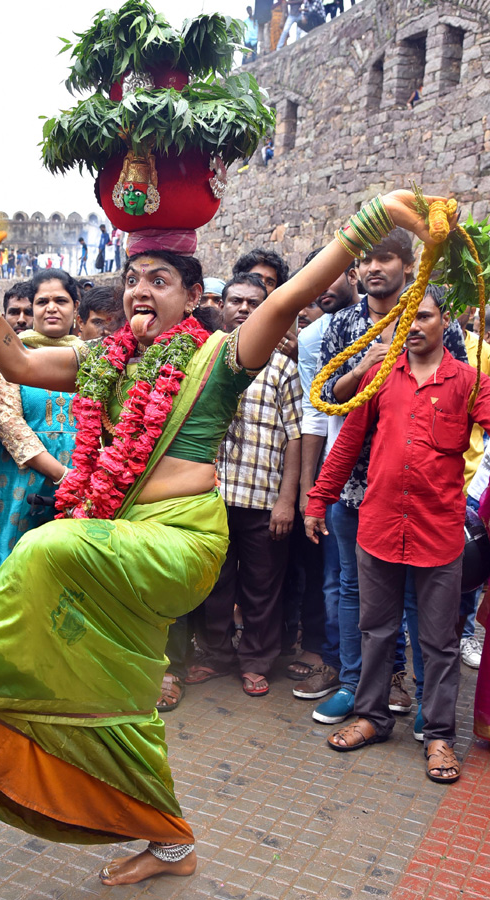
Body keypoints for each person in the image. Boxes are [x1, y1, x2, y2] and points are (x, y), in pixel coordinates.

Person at [0, 183, 449, 885]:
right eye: (133, 278)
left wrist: (371, 220)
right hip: (119, 540)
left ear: (193, 296)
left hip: (180, 544)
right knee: (124, 701)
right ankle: (170, 843)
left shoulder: (219, 358)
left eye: (159, 280)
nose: (140, 289)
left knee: (45, 547)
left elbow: (285, 303)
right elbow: (13, 362)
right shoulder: (101, 360)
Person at [305, 287, 489, 784]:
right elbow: (346, 445)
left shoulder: (469, 382)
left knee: (440, 641)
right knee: (376, 630)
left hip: (439, 533)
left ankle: (440, 737)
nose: (413, 326)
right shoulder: (381, 377)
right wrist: (317, 498)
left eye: (424, 316)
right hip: (379, 527)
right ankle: (372, 716)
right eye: (405, 318)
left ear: (444, 319)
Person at [314, 228, 468, 725]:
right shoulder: (342, 326)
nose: (373, 268)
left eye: (386, 258)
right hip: (362, 487)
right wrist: (366, 370)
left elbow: (458, 397)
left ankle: (425, 705)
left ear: (408, 264)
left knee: (425, 611)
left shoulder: (444, 335)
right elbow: (328, 403)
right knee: (358, 599)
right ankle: (359, 693)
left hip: (427, 498)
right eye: (365, 260)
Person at [186, 274, 302, 698]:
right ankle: (215, 654)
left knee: (262, 586)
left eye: (255, 303)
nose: (243, 309)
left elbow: (295, 437)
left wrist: (287, 500)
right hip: (210, 495)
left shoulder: (282, 368)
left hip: (263, 497)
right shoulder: (203, 359)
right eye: (235, 301)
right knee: (213, 583)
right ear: (222, 305)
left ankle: (256, 659)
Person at [0, 270, 81, 633]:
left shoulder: (94, 357)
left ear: (76, 307)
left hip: (85, 483)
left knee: (71, 571)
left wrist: (85, 479)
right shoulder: (9, 354)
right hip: (20, 481)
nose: (51, 308)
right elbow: (12, 428)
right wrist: (64, 477)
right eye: (42, 302)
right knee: (12, 565)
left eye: (61, 300)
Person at [291, 251, 359, 701]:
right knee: (339, 580)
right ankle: (339, 665)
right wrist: (310, 490)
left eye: (334, 273)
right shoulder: (319, 335)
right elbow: (315, 417)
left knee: (399, 587)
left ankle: (389, 676)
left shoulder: (417, 321)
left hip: (403, 476)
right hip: (341, 479)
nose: (324, 285)